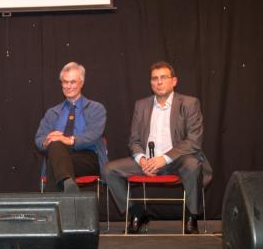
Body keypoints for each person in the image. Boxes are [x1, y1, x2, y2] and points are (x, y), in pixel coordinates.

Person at [102, 61, 212, 234]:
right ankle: (137, 213)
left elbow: (194, 141)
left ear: (174, 81)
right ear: (151, 82)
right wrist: (142, 159)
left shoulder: (189, 103)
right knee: (109, 170)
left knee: (193, 165)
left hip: (178, 160)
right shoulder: (141, 105)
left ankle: (191, 216)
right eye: (154, 78)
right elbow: (134, 140)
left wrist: (164, 159)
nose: (159, 82)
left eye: (163, 77)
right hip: (147, 162)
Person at [35, 62, 108, 192]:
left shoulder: (96, 108)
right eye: (65, 82)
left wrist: (68, 140)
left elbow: (93, 135)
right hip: (58, 156)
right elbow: (39, 138)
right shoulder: (52, 113)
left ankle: (58, 200)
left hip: (87, 158)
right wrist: (46, 141)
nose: (68, 86)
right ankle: (68, 186)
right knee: (55, 146)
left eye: (73, 82)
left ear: (81, 83)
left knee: (55, 162)